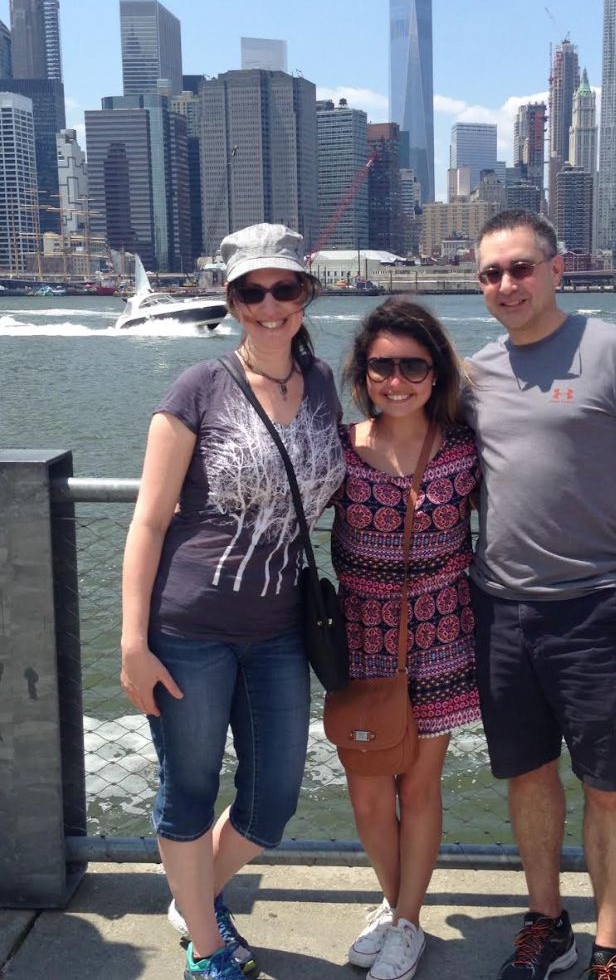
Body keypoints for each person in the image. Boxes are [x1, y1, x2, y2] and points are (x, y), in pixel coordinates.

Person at [464, 210, 616, 980]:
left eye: (521, 268)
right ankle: (546, 922)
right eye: (492, 273)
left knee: (609, 786)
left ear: (557, 270)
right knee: (527, 776)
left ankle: (609, 943)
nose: (508, 284)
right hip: (497, 609)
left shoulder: (613, 350)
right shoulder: (473, 373)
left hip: (602, 611)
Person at [120, 223, 345, 980]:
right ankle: (208, 950)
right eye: (252, 291)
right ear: (232, 300)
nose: (270, 304)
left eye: (285, 287)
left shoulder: (321, 385)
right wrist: (132, 642)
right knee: (188, 787)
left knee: (273, 798)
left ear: (306, 293)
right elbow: (149, 519)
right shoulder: (197, 387)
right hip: (188, 627)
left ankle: (193, 898)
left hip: (280, 628)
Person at [331, 297, 482, 980]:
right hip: (360, 641)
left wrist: (609, 492)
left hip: (443, 634)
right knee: (367, 793)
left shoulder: (464, 449)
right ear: (363, 374)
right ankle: (395, 909)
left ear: (436, 371)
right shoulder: (337, 448)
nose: (397, 380)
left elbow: (541, 482)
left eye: (413, 366)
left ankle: (407, 921)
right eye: (382, 366)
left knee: (418, 788)